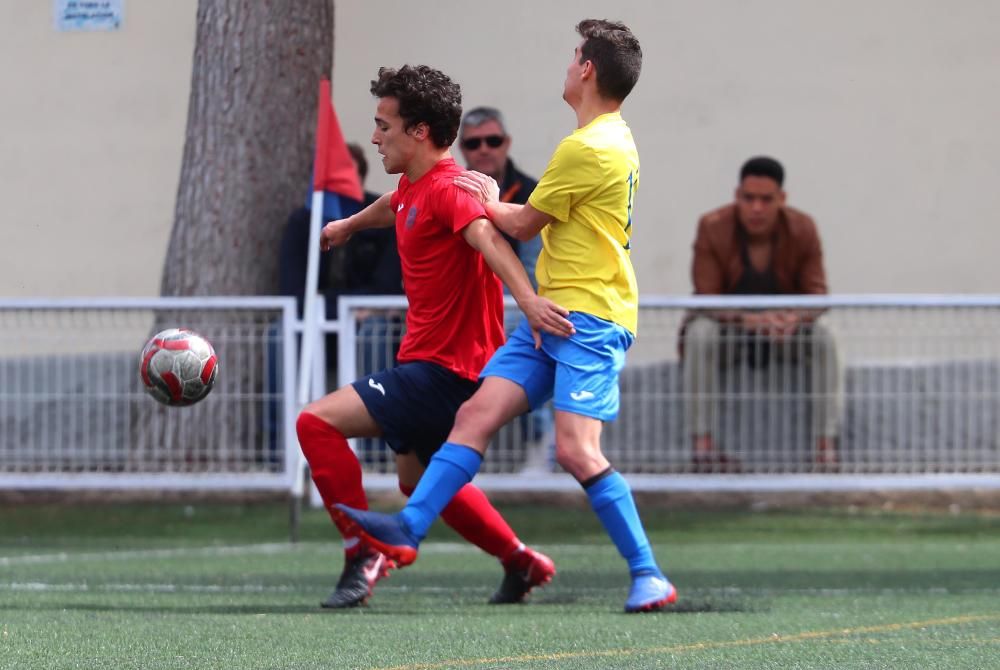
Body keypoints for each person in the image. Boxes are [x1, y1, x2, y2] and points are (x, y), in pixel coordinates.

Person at [331, 19, 678, 614]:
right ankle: (406, 529)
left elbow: (516, 227)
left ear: (588, 69)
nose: (568, 64)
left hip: (589, 319)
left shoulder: (589, 145)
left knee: (575, 450)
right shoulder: (607, 138)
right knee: (475, 416)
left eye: (575, 56)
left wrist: (479, 192)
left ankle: (649, 574)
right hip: (555, 312)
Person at [297, 63, 575, 609]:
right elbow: (394, 205)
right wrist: (349, 226)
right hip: (439, 367)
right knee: (415, 481)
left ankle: (362, 552)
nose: (374, 137)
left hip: (445, 371)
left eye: (384, 125)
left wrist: (529, 302)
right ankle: (520, 561)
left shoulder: (451, 190)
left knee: (315, 422)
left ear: (419, 131)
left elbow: (487, 240)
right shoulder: (413, 186)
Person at [681, 156, 841, 472]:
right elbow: (705, 296)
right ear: (736, 195)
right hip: (728, 334)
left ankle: (825, 448)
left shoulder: (802, 228)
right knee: (699, 333)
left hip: (786, 334)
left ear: (782, 199)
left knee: (827, 335)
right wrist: (749, 320)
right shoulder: (712, 227)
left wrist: (793, 318)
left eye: (766, 199)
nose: (757, 208)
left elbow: (818, 294)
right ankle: (704, 449)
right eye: (749, 198)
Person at [459, 106, 553, 471]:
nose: (484, 149)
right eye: (474, 143)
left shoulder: (531, 192)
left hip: (511, 305)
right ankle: (436, 450)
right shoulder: (452, 191)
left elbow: (533, 273)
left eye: (493, 141)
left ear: (506, 144)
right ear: (462, 148)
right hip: (465, 304)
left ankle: (538, 449)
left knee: (531, 333)